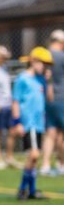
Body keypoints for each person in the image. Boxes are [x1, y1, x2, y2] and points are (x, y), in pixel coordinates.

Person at [12, 47, 49, 200]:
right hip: (29, 123)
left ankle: (32, 190)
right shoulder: (22, 79)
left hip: (39, 123)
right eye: (42, 63)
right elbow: (15, 101)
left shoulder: (41, 80)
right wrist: (17, 122)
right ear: (33, 61)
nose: (44, 66)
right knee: (34, 155)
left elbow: (47, 99)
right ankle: (22, 189)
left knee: (35, 158)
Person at [42, 30, 64, 176]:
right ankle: (62, 164)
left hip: (47, 100)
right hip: (61, 98)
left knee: (50, 133)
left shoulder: (44, 55)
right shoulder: (61, 56)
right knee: (61, 134)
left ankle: (45, 165)